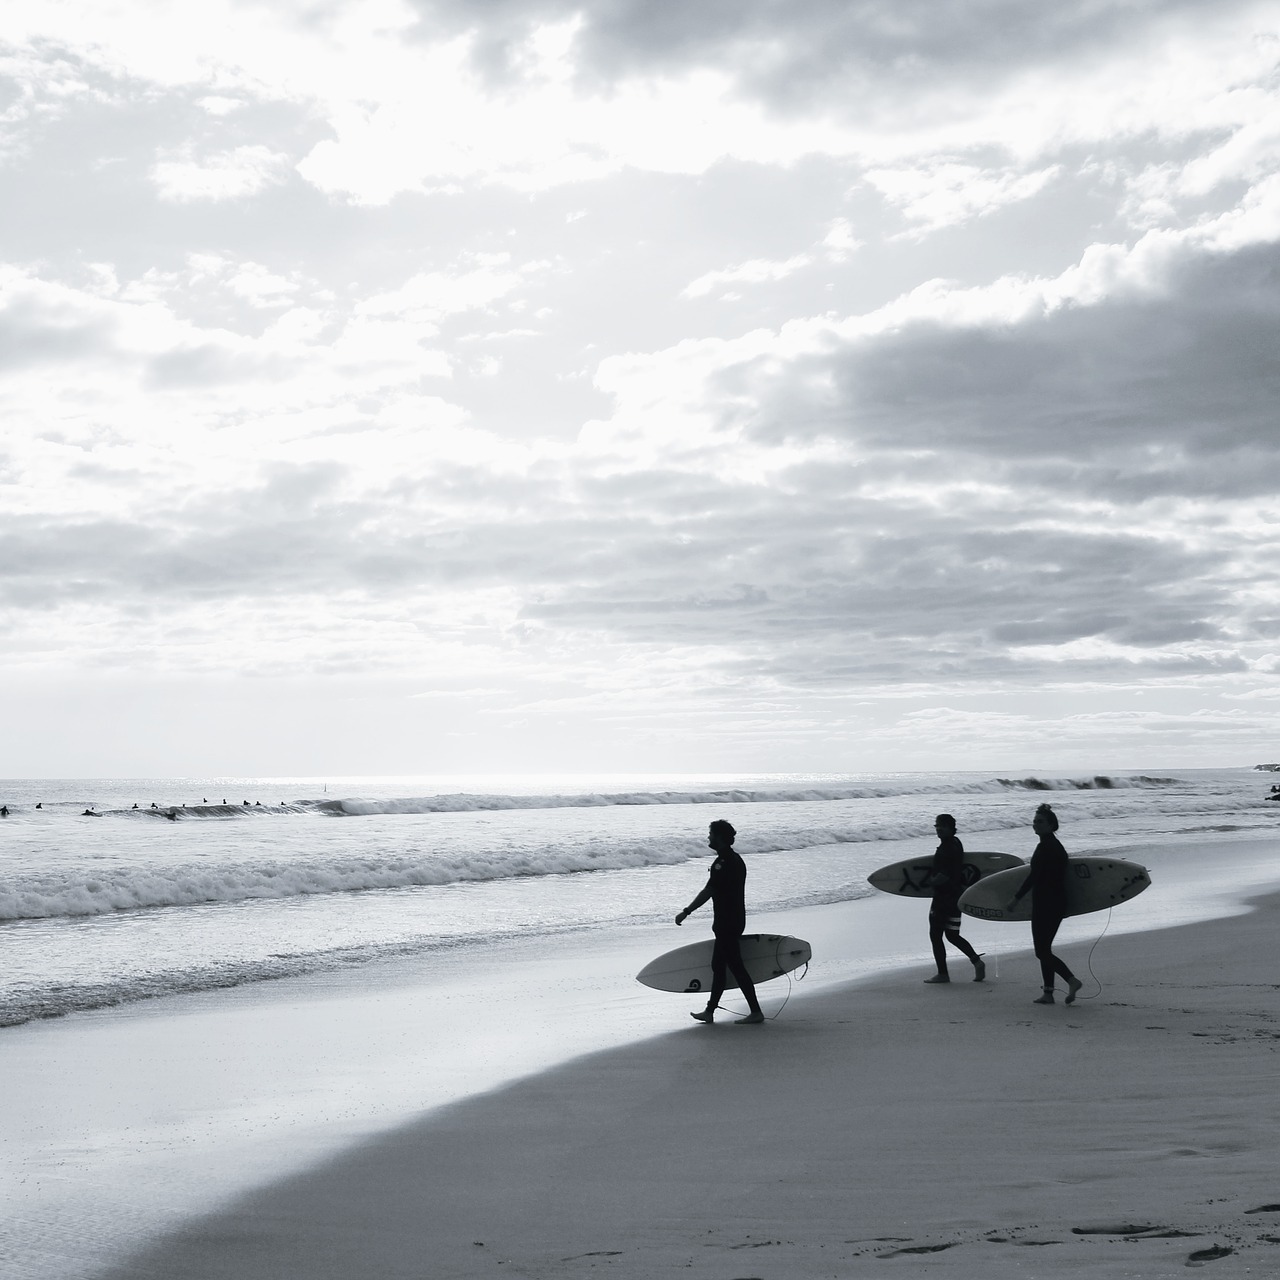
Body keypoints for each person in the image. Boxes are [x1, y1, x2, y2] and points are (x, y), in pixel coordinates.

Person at [674, 819, 765, 1024]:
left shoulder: (722, 864)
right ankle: (710, 1011)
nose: (708, 837)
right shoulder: (736, 859)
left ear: (719, 837)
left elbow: (708, 891)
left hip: (727, 922)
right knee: (719, 965)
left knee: (734, 966)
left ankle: (756, 1012)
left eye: (711, 834)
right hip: (736, 919)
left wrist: (686, 911)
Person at [1009, 803, 1083, 1005]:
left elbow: (1034, 876)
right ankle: (1048, 993)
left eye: (1040, 822)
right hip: (1054, 901)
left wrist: (1015, 899)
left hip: (1047, 903)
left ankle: (1071, 980)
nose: (1035, 825)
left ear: (1052, 825)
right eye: (1034, 821)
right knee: (1045, 949)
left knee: (1041, 951)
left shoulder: (1046, 847)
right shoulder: (1053, 845)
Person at [922, 813, 985, 984]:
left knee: (935, 935)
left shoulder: (946, 848)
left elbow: (944, 874)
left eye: (942, 825)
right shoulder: (956, 843)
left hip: (943, 898)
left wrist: (930, 882)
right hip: (957, 896)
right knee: (952, 934)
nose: (939, 829)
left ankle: (943, 974)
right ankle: (977, 962)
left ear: (951, 828)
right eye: (937, 825)